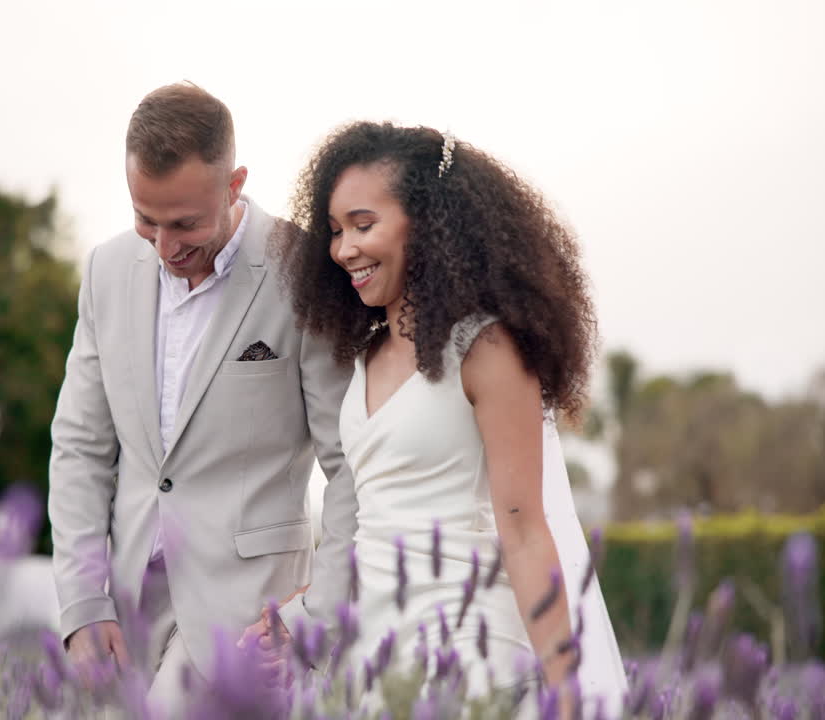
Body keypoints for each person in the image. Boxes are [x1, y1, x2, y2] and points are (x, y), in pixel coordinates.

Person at [249, 121, 627, 714]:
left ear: (425, 222)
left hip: (474, 660)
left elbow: (526, 533)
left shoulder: (486, 351)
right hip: (377, 662)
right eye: (335, 230)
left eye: (363, 224)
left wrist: (568, 695)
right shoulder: (364, 354)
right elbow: (375, 519)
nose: (345, 248)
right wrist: (302, 609)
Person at [47, 83, 357, 716]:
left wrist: (313, 614)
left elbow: (351, 466)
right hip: (125, 620)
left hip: (250, 619)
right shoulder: (106, 271)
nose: (164, 246)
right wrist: (82, 605)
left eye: (185, 223)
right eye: (146, 220)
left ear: (235, 182)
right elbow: (79, 448)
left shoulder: (304, 272)